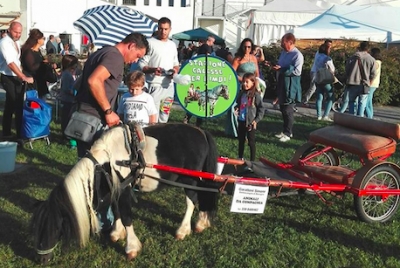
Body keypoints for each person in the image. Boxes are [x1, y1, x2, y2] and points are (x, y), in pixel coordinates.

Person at [74, 32, 149, 158]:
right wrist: (108, 111)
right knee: (95, 163)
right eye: (137, 55)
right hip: (94, 118)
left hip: (83, 113)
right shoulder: (115, 57)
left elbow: (80, 82)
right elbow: (94, 80)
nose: (135, 61)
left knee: (84, 160)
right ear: (131, 45)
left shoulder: (102, 51)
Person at [138, 17, 180, 123]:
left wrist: (174, 71)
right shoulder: (150, 42)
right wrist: (153, 70)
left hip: (168, 87)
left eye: (166, 29)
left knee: (164, 117)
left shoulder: (172, 45)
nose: (163, 31)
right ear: (158, 28)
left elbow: (176, 63)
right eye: (161, 28)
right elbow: (142, 64)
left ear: (170, 29)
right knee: (153, 118)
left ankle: (162, 138)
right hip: (154, 85)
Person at [0, 22, 34, 140]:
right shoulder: (4, 42)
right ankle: (17, 134)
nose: (18, 34)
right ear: (9, 30)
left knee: (12, 103)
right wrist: (23, 77)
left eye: (20, 32)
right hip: (8, 76)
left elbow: (17, 60)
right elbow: (10, 63)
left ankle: (8, 131)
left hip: (17, 75)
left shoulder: (16, 41)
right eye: (15, 32)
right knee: (16, 102)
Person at [272, 33, 304, 142]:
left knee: (288, 109)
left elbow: (297, 71)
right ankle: (285, 130)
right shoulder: (284, 53)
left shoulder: (297, 55)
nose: (281, 45)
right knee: (282, 108)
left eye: (283, 43)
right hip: (282, 83)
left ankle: (288, 132)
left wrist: (283, 69)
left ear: (290, 43)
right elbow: (280, 65)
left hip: (291, 85)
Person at [225, 38, 259, 138]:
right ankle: (234, 130)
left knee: (249, 108)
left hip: (251, 86)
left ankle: (248, 129)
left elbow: (256, 73)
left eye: (249, 47)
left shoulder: (253, 58)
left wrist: (256, 84)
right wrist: (243, 80)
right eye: (245, 46)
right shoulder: (238, 59)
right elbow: (232, 72)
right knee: (235, 107)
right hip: (240, 86)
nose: (247, 49)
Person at [339, 41, 376, 116]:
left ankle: (351, 117)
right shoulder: (371, 59)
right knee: (362, 103)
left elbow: (347, 71)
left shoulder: (352, 58)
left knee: (351, 102)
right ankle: (360, 118)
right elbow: (373, 74)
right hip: (364, 84)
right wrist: (370, 83)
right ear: (368, 49)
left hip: (352, 83)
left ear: (360, 47)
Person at [235, 73, 264, 162]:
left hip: (250, 123)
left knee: (251, 142)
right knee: (241, 140)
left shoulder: (256, 95)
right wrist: (237, 108)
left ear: (253, 83)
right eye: (243, 82)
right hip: (241, 121)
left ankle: (252, 161)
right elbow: (239, 104)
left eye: (247, 82)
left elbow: (261, 109)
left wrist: (256, 120)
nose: (244, 84)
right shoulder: (241, 94)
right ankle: (240, 157)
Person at [20, 28, 55, 99]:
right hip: (33, 83)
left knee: (42, 104)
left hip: (41, 81)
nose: (44, 40)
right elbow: (31, 67)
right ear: (38, 40)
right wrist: (43, 63)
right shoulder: (28, 52)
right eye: (43, 38)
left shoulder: (38, 51)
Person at [57, 54, 79, 148]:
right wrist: (75, 93)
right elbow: (67, 88)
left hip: (70, 100)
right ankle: (66, 135)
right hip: (67, 99)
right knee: (67, 118)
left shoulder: (70, 74)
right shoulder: (67, 75)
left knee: (68, 118)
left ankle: (67, 135)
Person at [303, 39, 333, 106]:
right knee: (313, 87)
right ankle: (305, 101)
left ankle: (322, 102)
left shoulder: (323, 54)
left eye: (330, 45)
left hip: (319, 73)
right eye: (328, 45)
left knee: (320, 88)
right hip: (315, 72)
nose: (330, 47)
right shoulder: (320, 54)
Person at [314, 43, 335, 121]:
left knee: (319, 97)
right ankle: (325, 115)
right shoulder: (327, 58)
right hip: (326, 79)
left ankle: (318, 115)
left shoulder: (317, 57)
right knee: (331, 97)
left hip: (317, 78)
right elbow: (332, 69)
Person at [364, 47, 381, 119]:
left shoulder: (375, 62)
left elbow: (372, 73)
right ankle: (370, 116)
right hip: (374, 84)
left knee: (366, 102)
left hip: (371, 83)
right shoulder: (379, 62)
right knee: (369, 101)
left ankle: (369, 117)